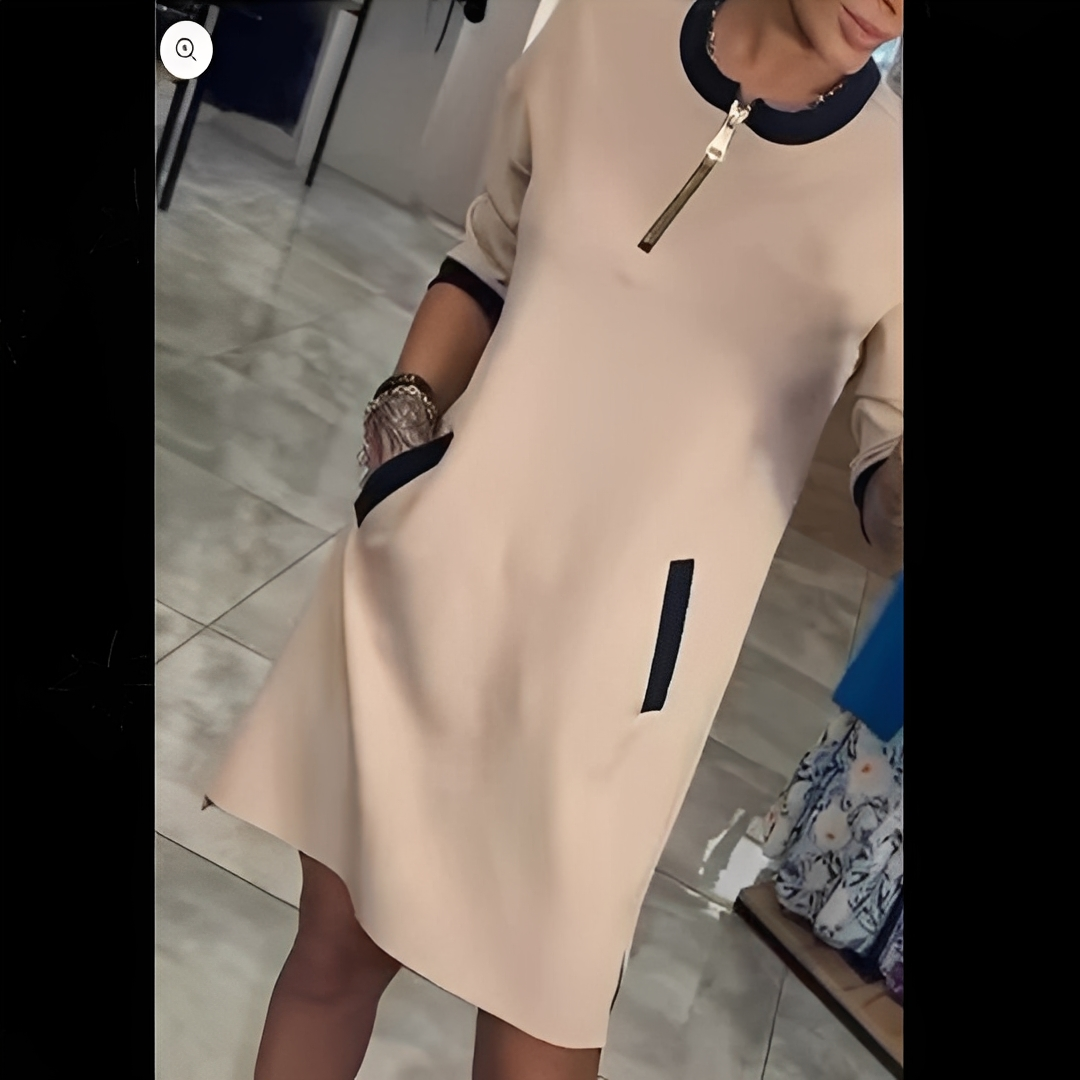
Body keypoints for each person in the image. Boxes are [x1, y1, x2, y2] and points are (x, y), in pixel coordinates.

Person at [205, 2, 904, 1077]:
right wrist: (400, 446)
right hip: (432, 598)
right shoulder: (606, 25)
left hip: (622, 692)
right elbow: (489, 248)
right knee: (333, 962)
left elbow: (883, 474)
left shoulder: (889, 184)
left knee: (540, 1043)